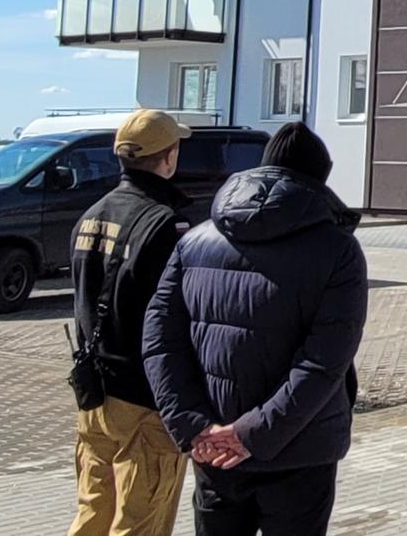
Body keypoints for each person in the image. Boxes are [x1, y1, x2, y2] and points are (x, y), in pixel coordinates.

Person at [143, 122, 368, 536]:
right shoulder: (339, 249)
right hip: (298, 451)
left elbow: (159, 343)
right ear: (318, 178)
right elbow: (325, 361)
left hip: (214, 449)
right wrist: (249, 436)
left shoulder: (193, 240)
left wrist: (194, 426)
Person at [68, 110, 194, 536]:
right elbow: (177, 317)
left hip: (94, 396)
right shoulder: (163, 222)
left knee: (92, 516)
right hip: (144, 401)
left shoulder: (91, 214)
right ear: (169, 155)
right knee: (141, 523)